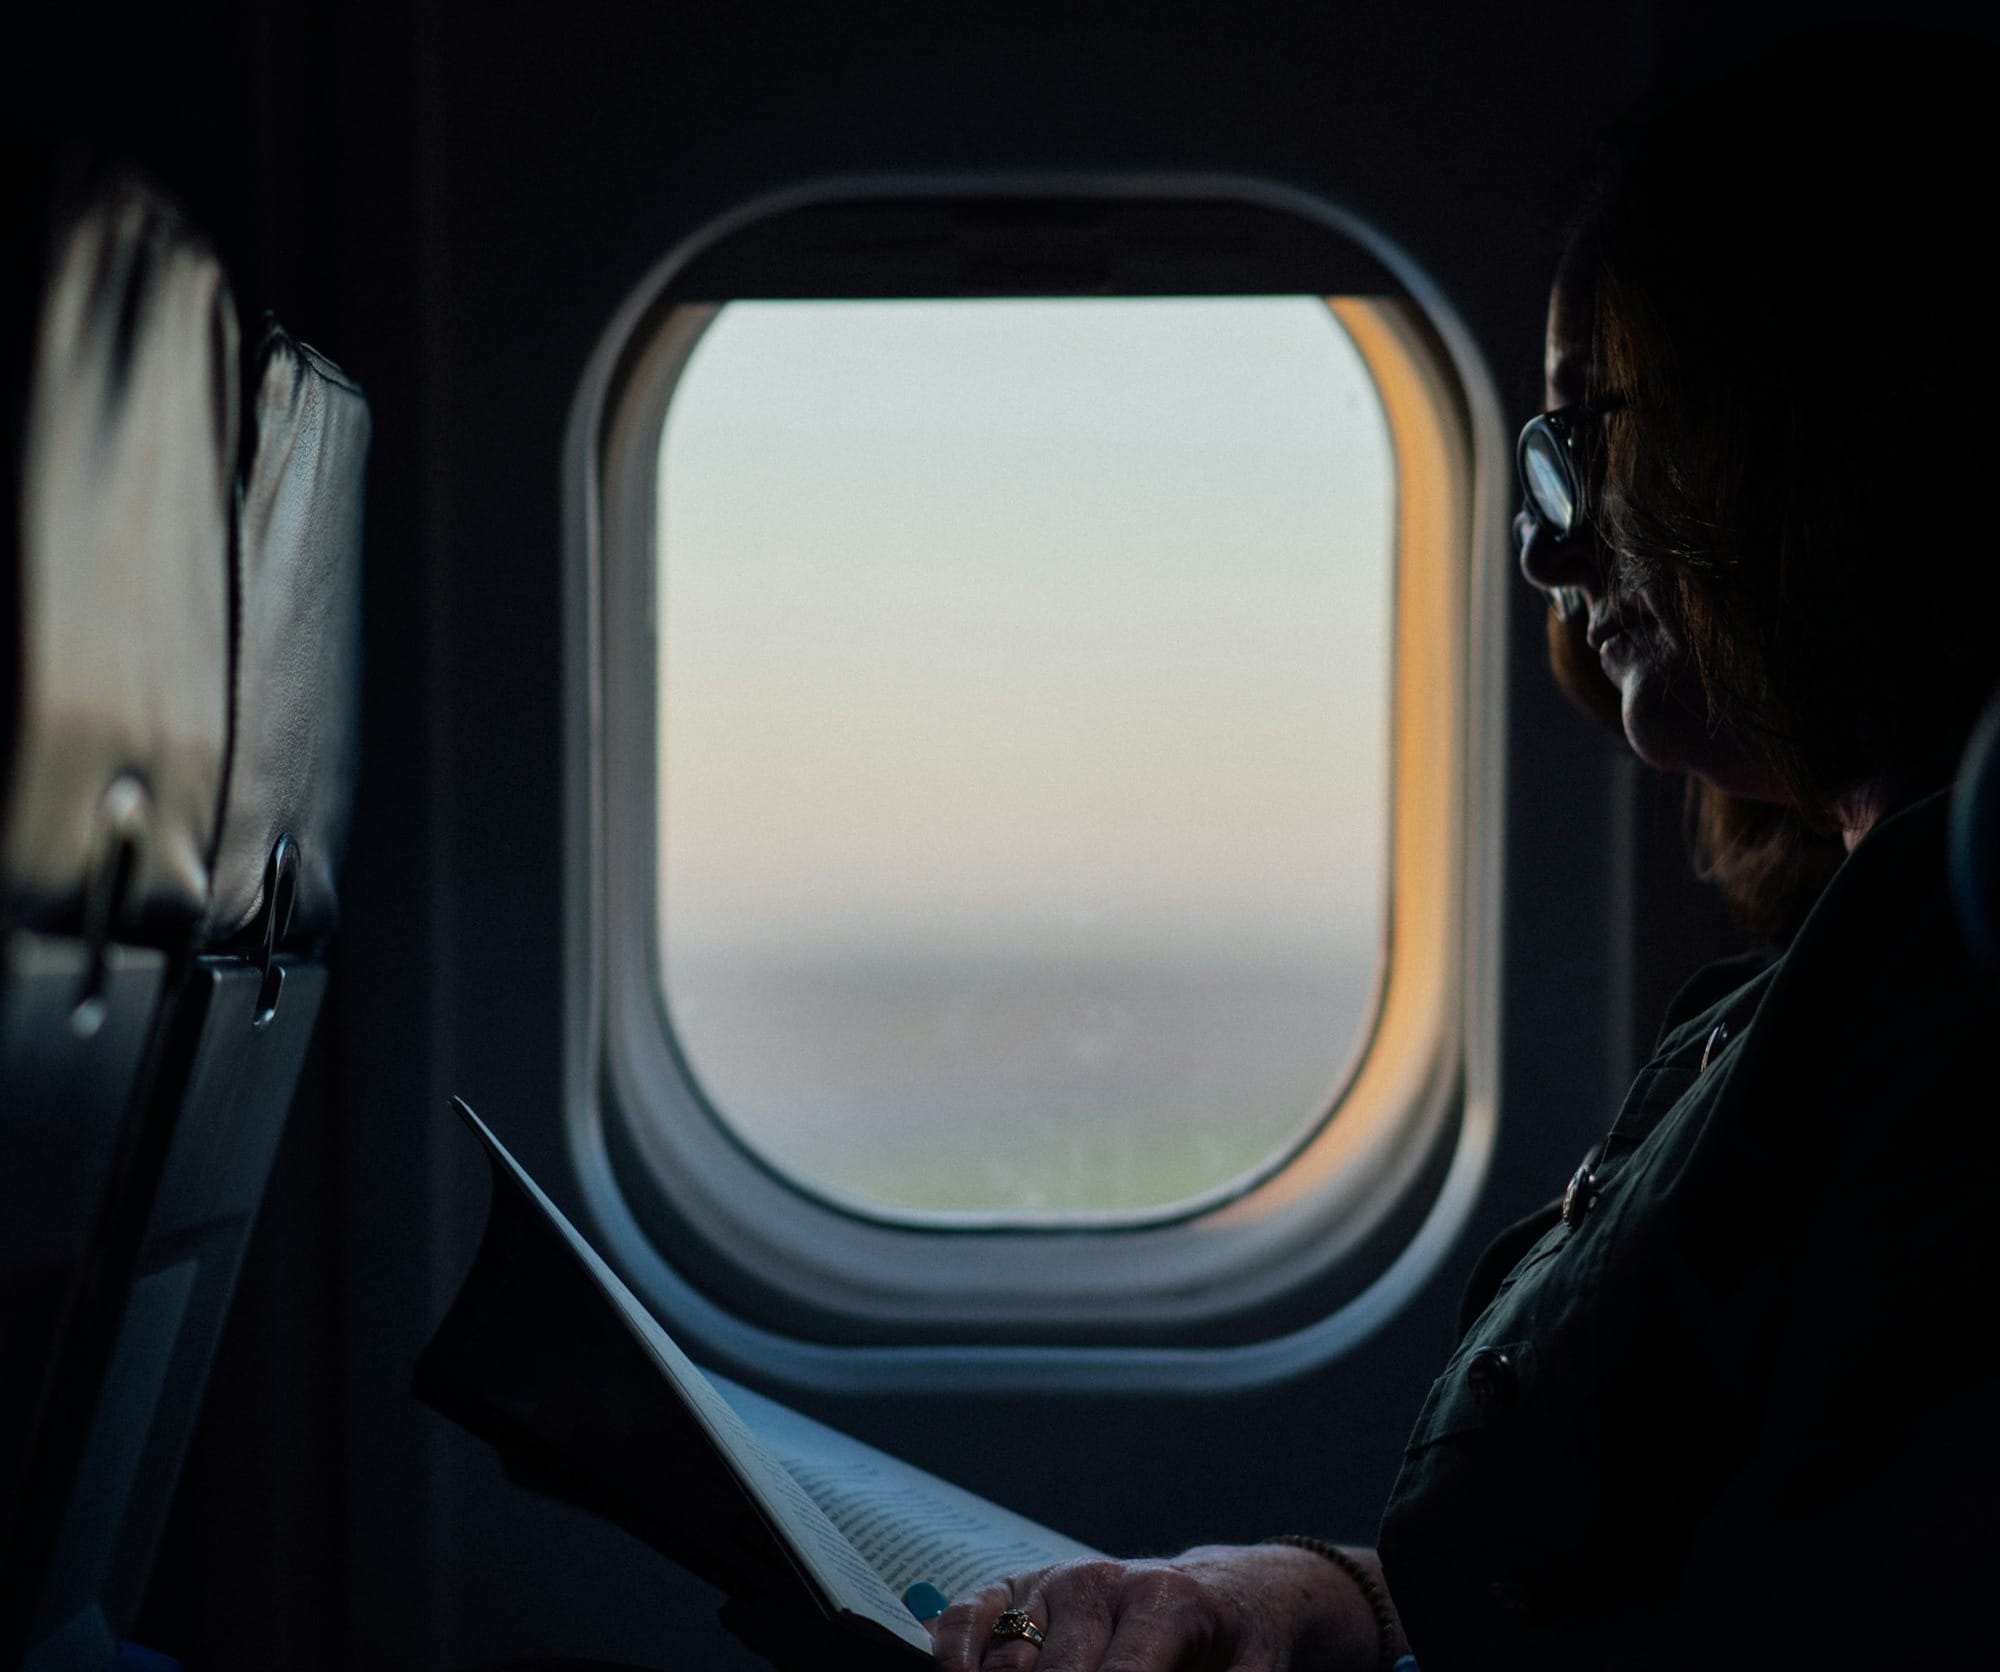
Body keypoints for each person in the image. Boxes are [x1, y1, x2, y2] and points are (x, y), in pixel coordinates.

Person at [933, 30, 2000, 1672]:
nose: (1546, 542)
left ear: (1804, 422)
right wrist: (1297, 1599)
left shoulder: (1947, 999)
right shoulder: (1823, 980)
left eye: (1595, 432)